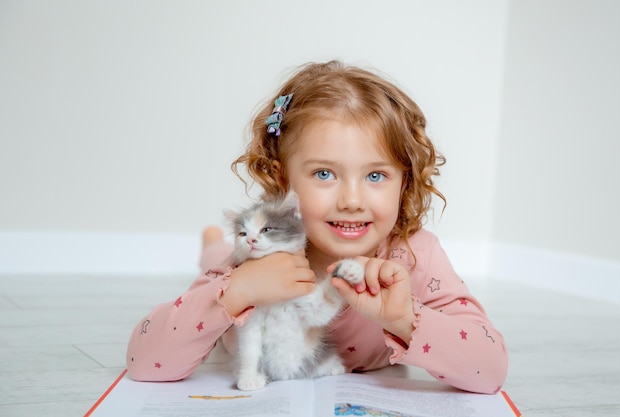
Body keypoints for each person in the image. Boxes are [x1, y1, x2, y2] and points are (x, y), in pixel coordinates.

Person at [126, 60, 508, 394]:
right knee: (216, 256)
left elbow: (490, 371)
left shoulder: (413, 254)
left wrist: (404, 319)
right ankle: (211, 242)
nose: (352, 200)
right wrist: (235, 291)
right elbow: (144, 363)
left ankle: (211, 242)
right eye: (324, 173)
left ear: (404, 182)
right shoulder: (257, 256)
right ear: (282, 180)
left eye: (376, 175)